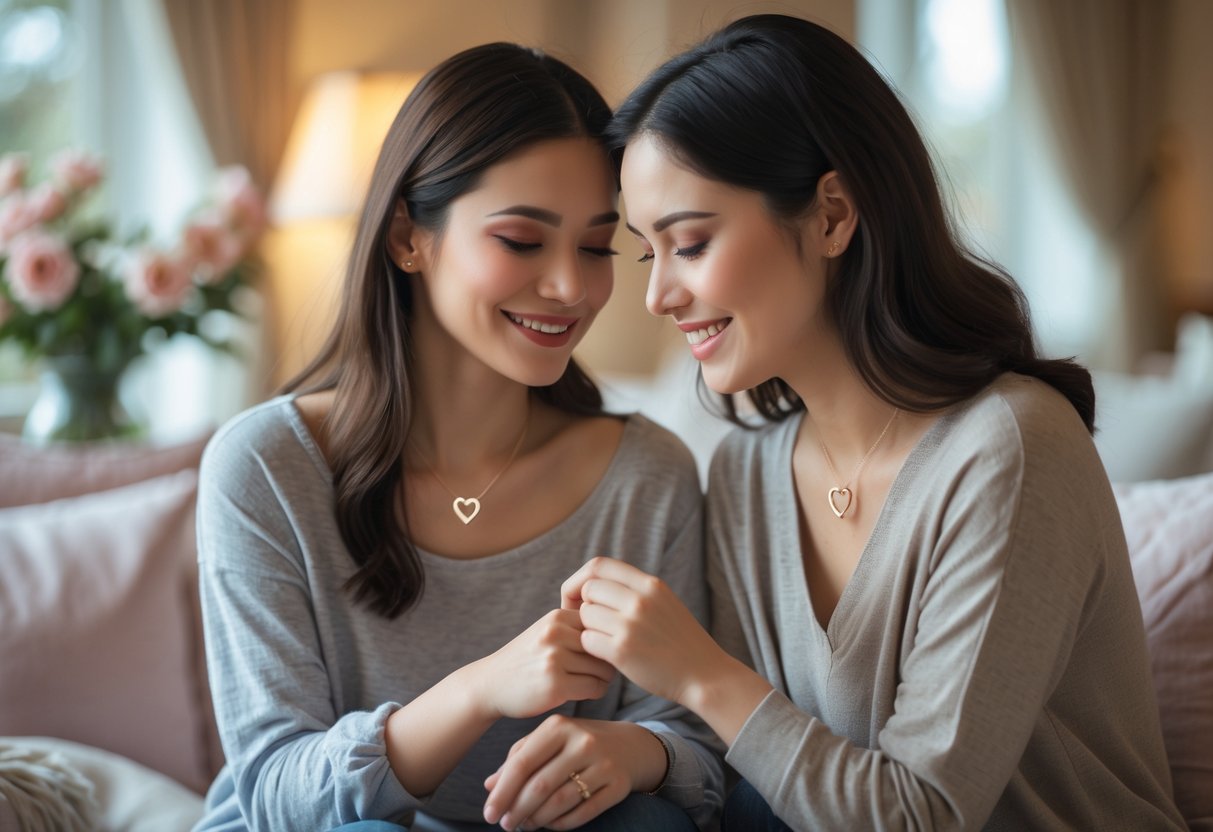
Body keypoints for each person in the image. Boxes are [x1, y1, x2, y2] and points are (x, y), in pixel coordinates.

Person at [537, 14, 1187, 832]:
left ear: (833, 214)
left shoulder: (1009, 450)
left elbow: (922, 816)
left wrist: (699, 673)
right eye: (645, 252)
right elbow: (765, 759)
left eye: (691, 243)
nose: (657, 294)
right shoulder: (746, 471)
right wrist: (641, 749)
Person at [192, 42, 723, 832]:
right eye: (520, 240)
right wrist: (478, 690)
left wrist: (634, 751)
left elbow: (691, 745)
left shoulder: (646, 476)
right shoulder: (265, 467)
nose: (572, 288)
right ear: (409, 236)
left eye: (594, 246)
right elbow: (275, 792)